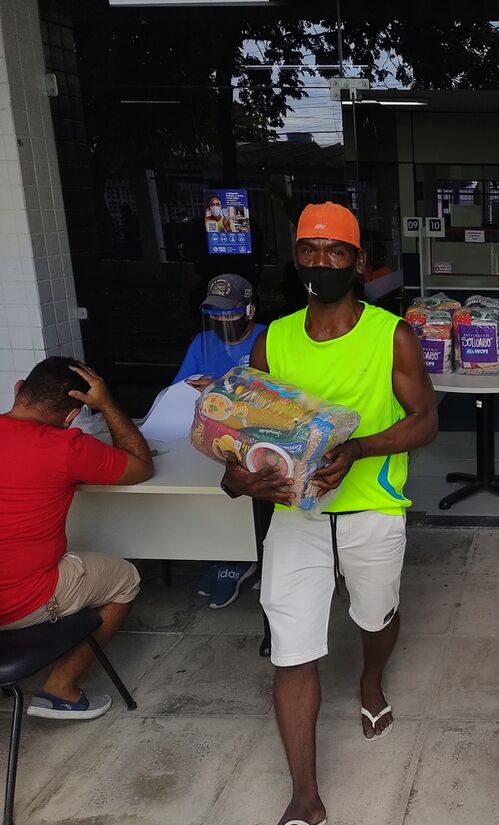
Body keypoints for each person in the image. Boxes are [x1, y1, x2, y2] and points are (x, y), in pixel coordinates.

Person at [221, 201, 438, 825]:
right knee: (292, 645)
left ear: (358, 261)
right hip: (296, 513)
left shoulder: (388, 333)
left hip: (371, 503)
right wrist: (236, 475)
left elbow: (425, 420)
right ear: (296, 259)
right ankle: (304, 798)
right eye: (309, 252)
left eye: (334, 252)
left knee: (374, 616)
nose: (321, 263)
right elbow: (243, 427)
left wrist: (361, 448)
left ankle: (371, 681)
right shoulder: (275, 337)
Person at [0, 358, 153, 719]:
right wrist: (107, 405)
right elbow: (140, 465)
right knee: (125, 578)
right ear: (72, 416)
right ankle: (60, 688)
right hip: (23, 600)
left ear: (18, 388)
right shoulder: (64, 446)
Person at [173, 273, 267, 609]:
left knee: (245, 492)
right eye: (215, 312)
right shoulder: (201, 342)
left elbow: (276, 393)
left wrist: (224, 384)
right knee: (206, 490)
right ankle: (226, 556)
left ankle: (246, 558)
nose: (222, 319)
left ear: (249, 310)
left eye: (229, 312)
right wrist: (194, 386)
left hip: (252, 435)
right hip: (208, 436)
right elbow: (180, 386)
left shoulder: (265, 338)